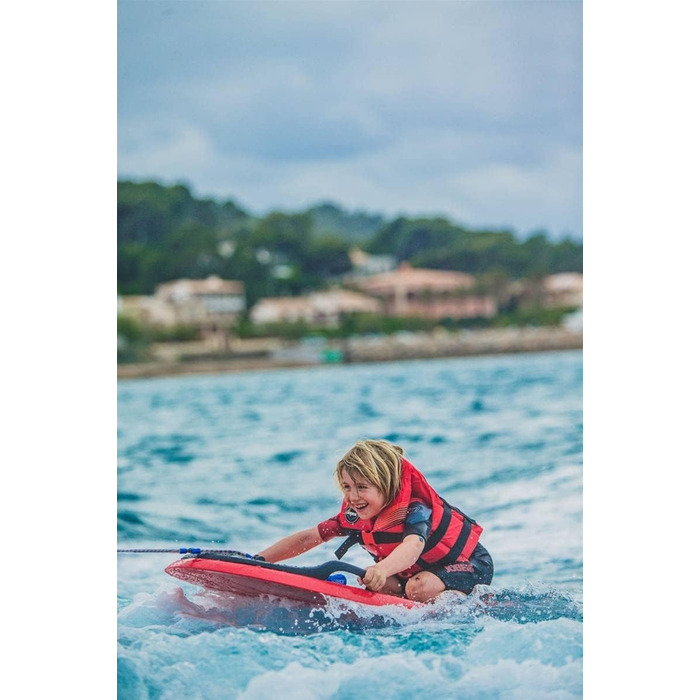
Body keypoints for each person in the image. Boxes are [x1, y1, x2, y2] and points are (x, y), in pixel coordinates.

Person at [256, 439, 493, 603]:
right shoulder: (354, 516)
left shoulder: (417, 510)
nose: (353, 497)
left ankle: (463, 605)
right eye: (347, 487)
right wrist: (259, 560)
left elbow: (413, 547)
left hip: (468, 565)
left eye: (362, 487)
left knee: (418, 588)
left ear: (387, 485)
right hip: (421, 572)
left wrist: (380, 568)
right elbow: (309, 537)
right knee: (378, 583)